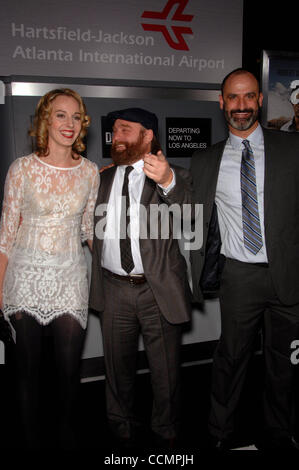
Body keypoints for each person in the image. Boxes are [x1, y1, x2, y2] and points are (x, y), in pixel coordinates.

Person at [190, 69, 299, 451]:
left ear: (259, 100)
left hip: (290, 276)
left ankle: (280, 431)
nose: (241, 106)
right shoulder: (206, 161)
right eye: (233, 98)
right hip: (240, 277)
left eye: (248, 97)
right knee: (230, 360)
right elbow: (180, 199)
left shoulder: (292, 149)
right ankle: (219, 433)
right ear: (222, 102)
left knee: (284, 364)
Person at [0, 88, 100, 449]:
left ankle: (66, 438)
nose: (69, 124)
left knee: (69, 373)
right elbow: (5, 237)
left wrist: (117, 262)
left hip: (70, 279)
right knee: (27, 373)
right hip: (24, 279)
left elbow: (90, 229)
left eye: (76, 117)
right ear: (46, 119)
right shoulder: (22, 169)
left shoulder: (90, 172)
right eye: (61, 115)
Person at [89, 108, 192, 448]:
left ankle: (166, 430)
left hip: (156, 289)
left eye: (125, 130)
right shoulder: (102, 178)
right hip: (114, 288)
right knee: (117, 370)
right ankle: (119, 428)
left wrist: (167, 181)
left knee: (165, 372)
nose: (115, 137)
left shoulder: (172, 175)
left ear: (148, 136)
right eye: (114, 131)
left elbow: (190, 213)